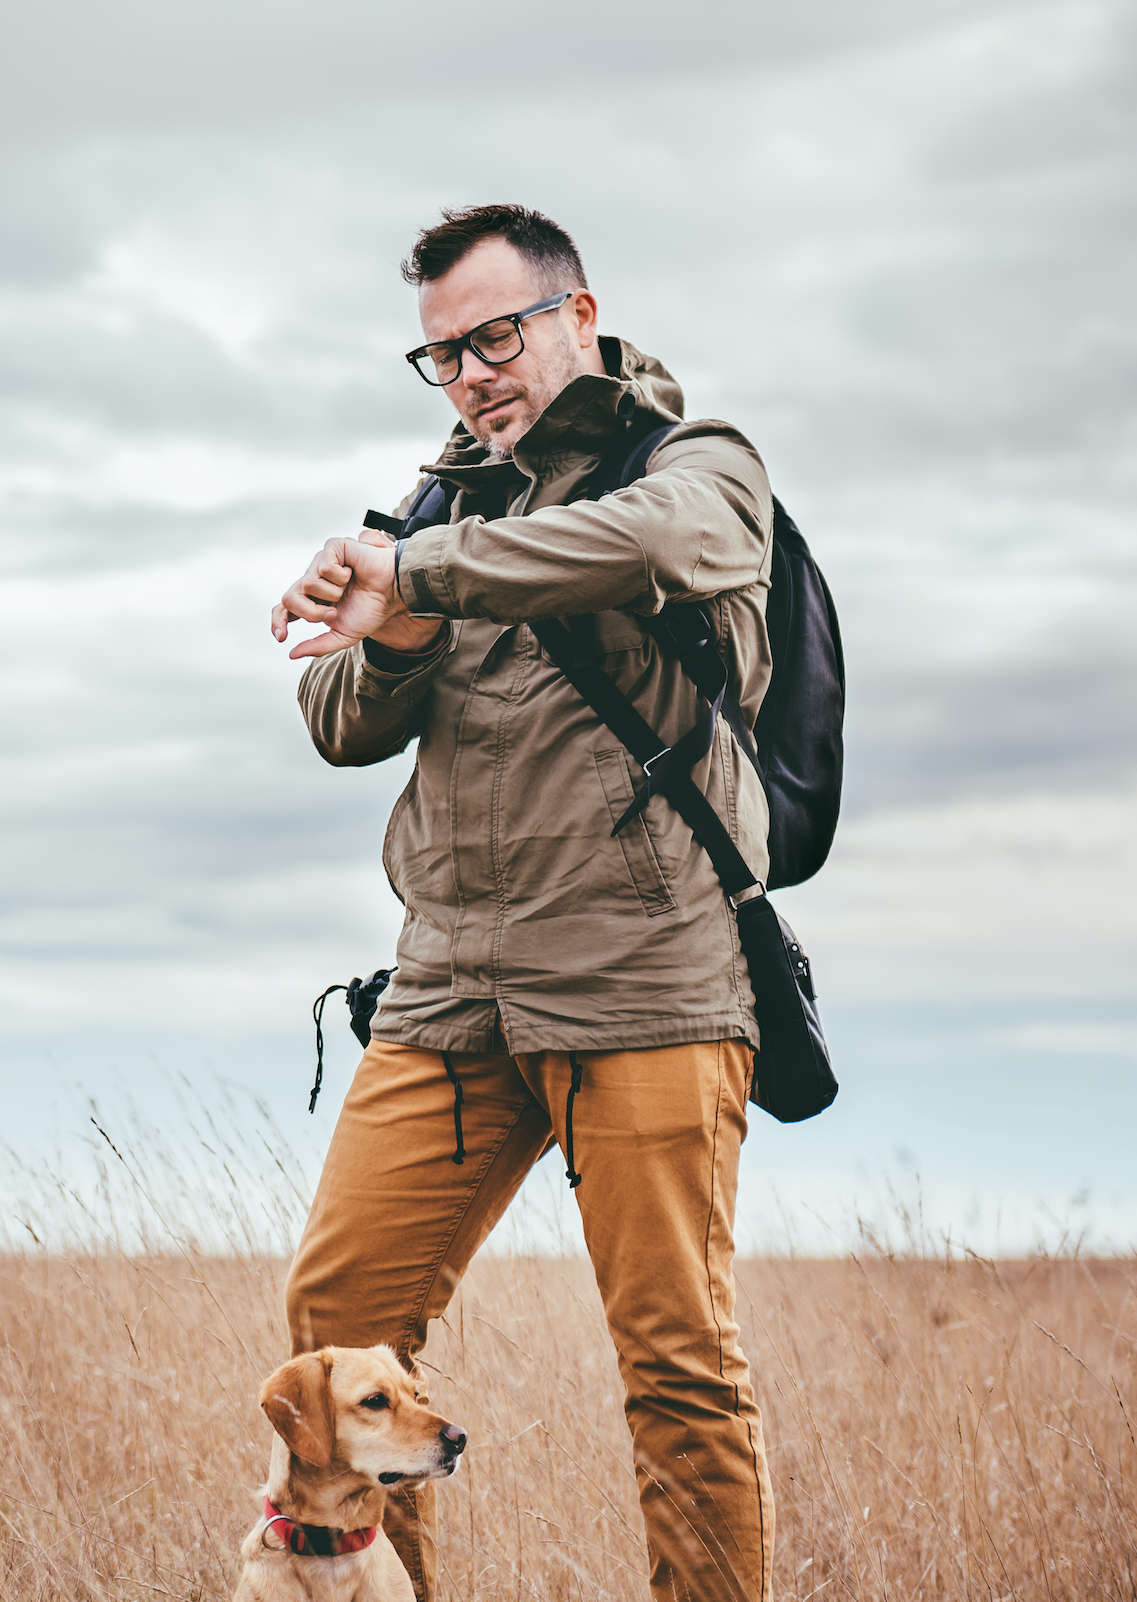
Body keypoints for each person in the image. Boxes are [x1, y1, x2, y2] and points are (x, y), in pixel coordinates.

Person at [268, 204, 778, 1602]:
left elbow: (652, 543)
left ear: (579, 314)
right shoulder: (435, 505)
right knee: (339, 1332)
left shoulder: (694, 462)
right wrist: (401, 625)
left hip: (645, 979)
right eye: (442, 355)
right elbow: (338, 720)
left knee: (676, 1363)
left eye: (496, 335)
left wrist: (420, 575)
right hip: (449, 989)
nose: (474, 372)